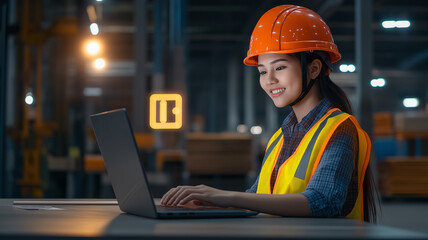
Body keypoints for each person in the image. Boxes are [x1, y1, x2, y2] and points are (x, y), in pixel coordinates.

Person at [161, 5, 378, 222]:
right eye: (262, 71)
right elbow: (258, 197)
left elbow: (323, 201)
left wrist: (227, 196)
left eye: (280, 68)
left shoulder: (339, 130)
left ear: (314, 68)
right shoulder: (279, 139)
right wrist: (209, 201)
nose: (269, 80)